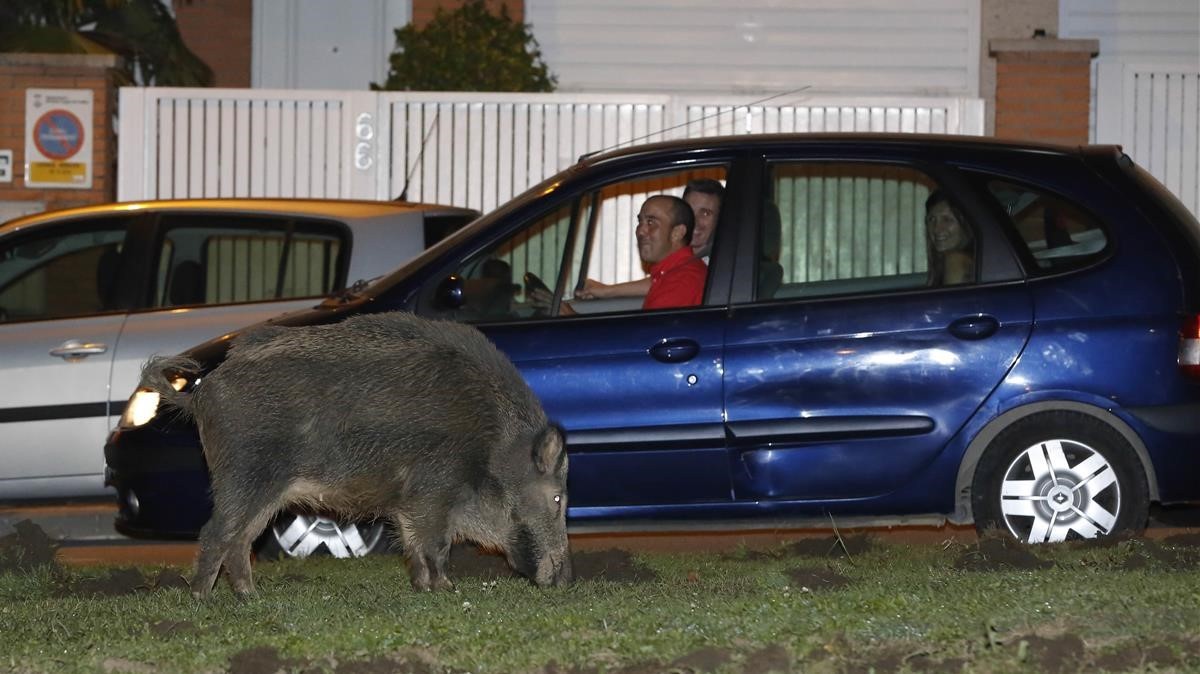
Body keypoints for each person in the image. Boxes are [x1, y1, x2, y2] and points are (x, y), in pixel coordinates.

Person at [537, 195, 706, 314]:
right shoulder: (676, 271)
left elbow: (643, 344)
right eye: (640, 221)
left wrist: (572, 320)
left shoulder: (681, 282)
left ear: (677, 233)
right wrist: (606, 291)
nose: (640, 230)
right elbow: (654, 282)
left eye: (651, 222)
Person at [578, 178, 723, 300]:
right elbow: (660, 279)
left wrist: (606, 291)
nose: (695, 221)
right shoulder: (683, 262)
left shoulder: (719, 264)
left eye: (705, 213)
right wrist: (606, 290)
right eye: (689, 211)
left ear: (720, 219)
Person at [924, 191, 975, 286]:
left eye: (947, 219)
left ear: (964, 224)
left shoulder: (955, 261)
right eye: (932, 219)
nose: (936, 229)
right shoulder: (970, 259)